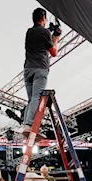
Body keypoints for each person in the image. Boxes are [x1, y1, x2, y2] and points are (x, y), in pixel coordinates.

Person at [22, 8, 61, 138]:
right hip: (40, 69)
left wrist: (49, 32)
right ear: (44, 18)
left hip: (28, 70)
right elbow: (54, 52)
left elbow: (40, 38)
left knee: (31, 99)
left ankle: (27, 126)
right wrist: (56, 38)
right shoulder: (44, 33)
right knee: (36, 98)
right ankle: (28, 124)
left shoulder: (29, 32)